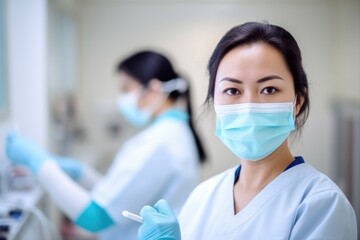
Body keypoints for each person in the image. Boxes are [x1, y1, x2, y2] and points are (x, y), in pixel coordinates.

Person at [137, 22, 358, 239]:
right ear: (215, 102)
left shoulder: (320, 204)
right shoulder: (202, 197)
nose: (249, 105)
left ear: (298, 101)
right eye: (232, 90)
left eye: (269, 89)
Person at [5, 50, 207, 240]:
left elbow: (95, 218)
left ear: (153, 90)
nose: (122, 98)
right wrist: (80, 173)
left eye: (126, 89)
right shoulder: (174, 132)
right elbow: (124, 194)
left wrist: (38, 163)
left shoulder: (158, 142)